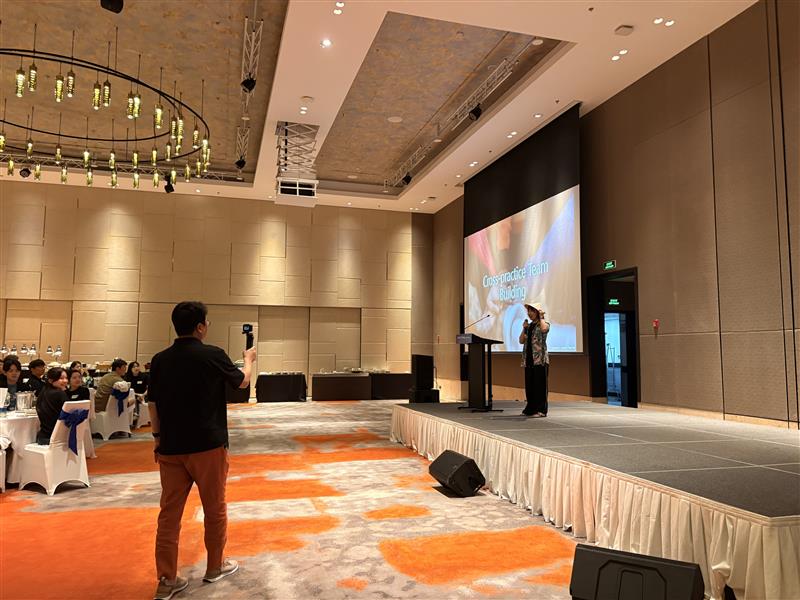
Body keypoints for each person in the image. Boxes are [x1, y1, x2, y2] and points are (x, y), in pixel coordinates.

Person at [149, 301, 255, 600]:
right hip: (208, 445)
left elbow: (152, 403)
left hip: (171, 448)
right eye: (206, 322)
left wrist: (157, 439)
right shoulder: (212, 355)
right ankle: (215, 566)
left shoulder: (160, 360)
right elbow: (242, 382)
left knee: (169, 515)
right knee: (214, 507)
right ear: (199, 327)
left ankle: (167, 579)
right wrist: (248, 360)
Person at [519, 303, 550, 417]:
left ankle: (541, 410)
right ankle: (530, 409)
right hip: (528, 359)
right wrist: (524, 328)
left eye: (532, 311)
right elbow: (521, 340)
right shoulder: (529, 326)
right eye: (528, 311)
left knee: (540, 386)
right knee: (530, 386)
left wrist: (541, 318)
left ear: (537, 312)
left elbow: (544, 329)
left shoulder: (544, 323)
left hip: (540, 360)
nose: (529, 313)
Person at [35, 367, 70, 445]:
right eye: (61, 378)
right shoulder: (59, 394)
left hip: (43, 437)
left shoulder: (43, 392)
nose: (65, 381)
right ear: (51, 380)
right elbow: (69, 414)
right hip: (57, 438)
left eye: (66, 378)